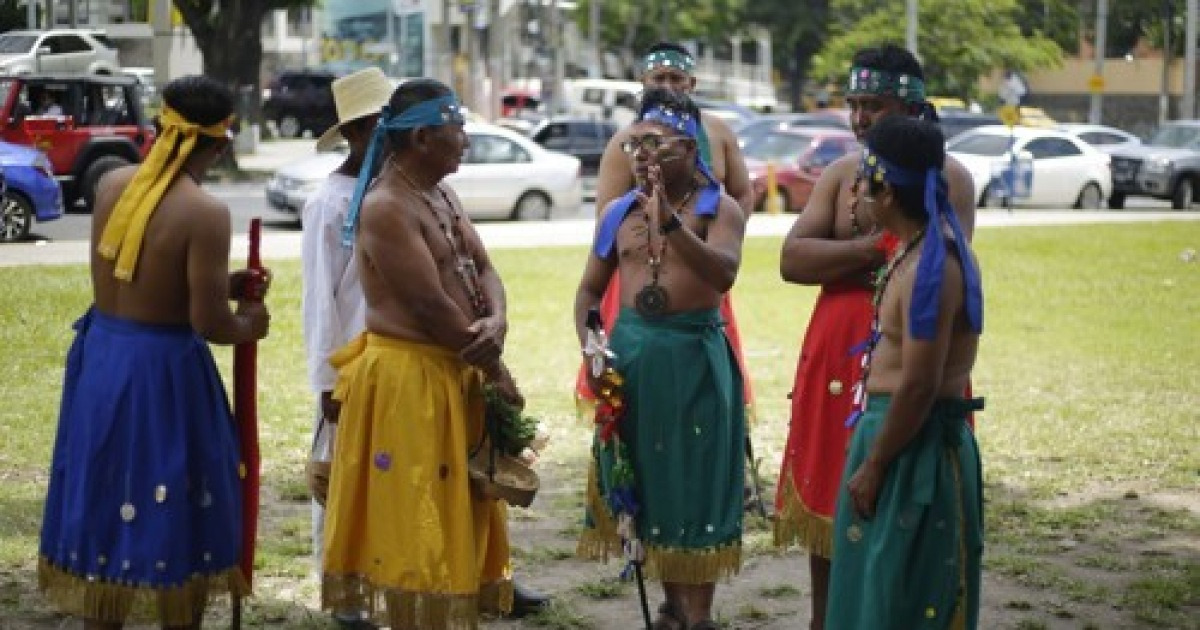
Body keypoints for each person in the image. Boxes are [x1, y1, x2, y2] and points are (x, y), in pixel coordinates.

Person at [38, 75, 270, 629]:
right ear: (219, 142)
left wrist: (225, 284)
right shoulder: (205, 212)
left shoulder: (113, 184)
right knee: (177, 505)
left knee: (108, 498)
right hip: (162, 375)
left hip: (103, 357)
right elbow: (207, 321)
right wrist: (250, 324)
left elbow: (144, 272)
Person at [773, 43, 977, 630]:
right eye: (854, 105)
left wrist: (848, 255)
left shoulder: (949, 180)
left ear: (911, 109)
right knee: (831, 485)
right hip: (835, 354)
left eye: (875, 106)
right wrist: (871, 247)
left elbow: (935, 263)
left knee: (901, 497)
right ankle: (826, 619)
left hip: (911, 357)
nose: (860, 118)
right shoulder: (841, 174)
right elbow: (791, 259)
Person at [320, 78, 521, 629]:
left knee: (462, 506)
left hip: (456, 368)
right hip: (409, 379)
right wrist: (495, 366)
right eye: (458, 129)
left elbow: (484, 267)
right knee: (414, 519)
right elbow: (430, 305)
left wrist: (496, 321)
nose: (466, 140)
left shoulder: (440, 193)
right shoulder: (386, 206)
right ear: (424, 138)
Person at [575, 88, 746, 630]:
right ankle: (671, 609)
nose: (644, 155)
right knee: (647, 484)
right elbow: (587, 295)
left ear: (691, 145)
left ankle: (698, 617)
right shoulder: (618, 213)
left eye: (657, 144)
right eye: (635, 145)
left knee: (694, 483)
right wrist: (594, 352)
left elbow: (722, 273)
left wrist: (670, 222)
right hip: (633, 360)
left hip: (695, 358)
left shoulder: (721, 209)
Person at [825, 115, 984, 629]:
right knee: (875, 591)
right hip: (894, 434)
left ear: (886, 192)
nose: (856, 193)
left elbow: (919, 383)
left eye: (862, 182)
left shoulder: (930, 269)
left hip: (911, 445)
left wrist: (875, 464)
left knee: (903, 601)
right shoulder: (919, 250)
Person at [576, 42, 757, 422]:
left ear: (691, 82)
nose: (642, 155)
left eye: (676, 77)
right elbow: (596, 265)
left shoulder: (718, 138)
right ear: (643, 82)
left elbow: (739, 203)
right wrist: (594, 350)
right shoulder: (621, 155)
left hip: (698, 303)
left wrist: (711, 228)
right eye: (659, 77)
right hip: (637, 291)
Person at [300, 66, 391, 629]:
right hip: (349, 365)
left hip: (401, 360)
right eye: (379, 125)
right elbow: (320, 302)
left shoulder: (404, 189)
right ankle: (346, 596)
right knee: (338, 479)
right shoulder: (329, 203)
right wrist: (327, 384)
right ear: (355, 131)